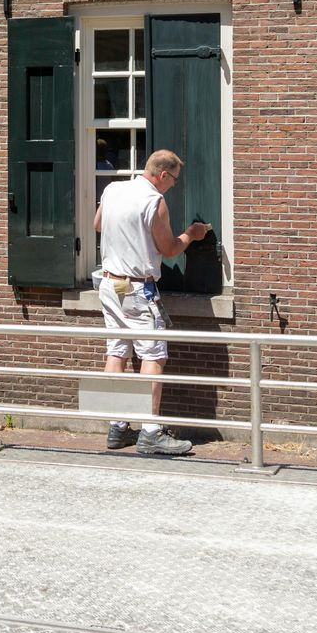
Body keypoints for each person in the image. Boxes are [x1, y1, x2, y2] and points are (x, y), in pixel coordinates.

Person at [93, 149, 210, 456]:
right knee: (153, 354)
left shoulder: (113, 189)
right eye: (173, 180)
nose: (173, 186)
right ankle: (150, 431)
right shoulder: (153, 201)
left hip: (109, 283)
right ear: (162, 175)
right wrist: (191, 234)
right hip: (136, 288)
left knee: (116, 350)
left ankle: (117, 427)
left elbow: (97, 225)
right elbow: (170, 249)